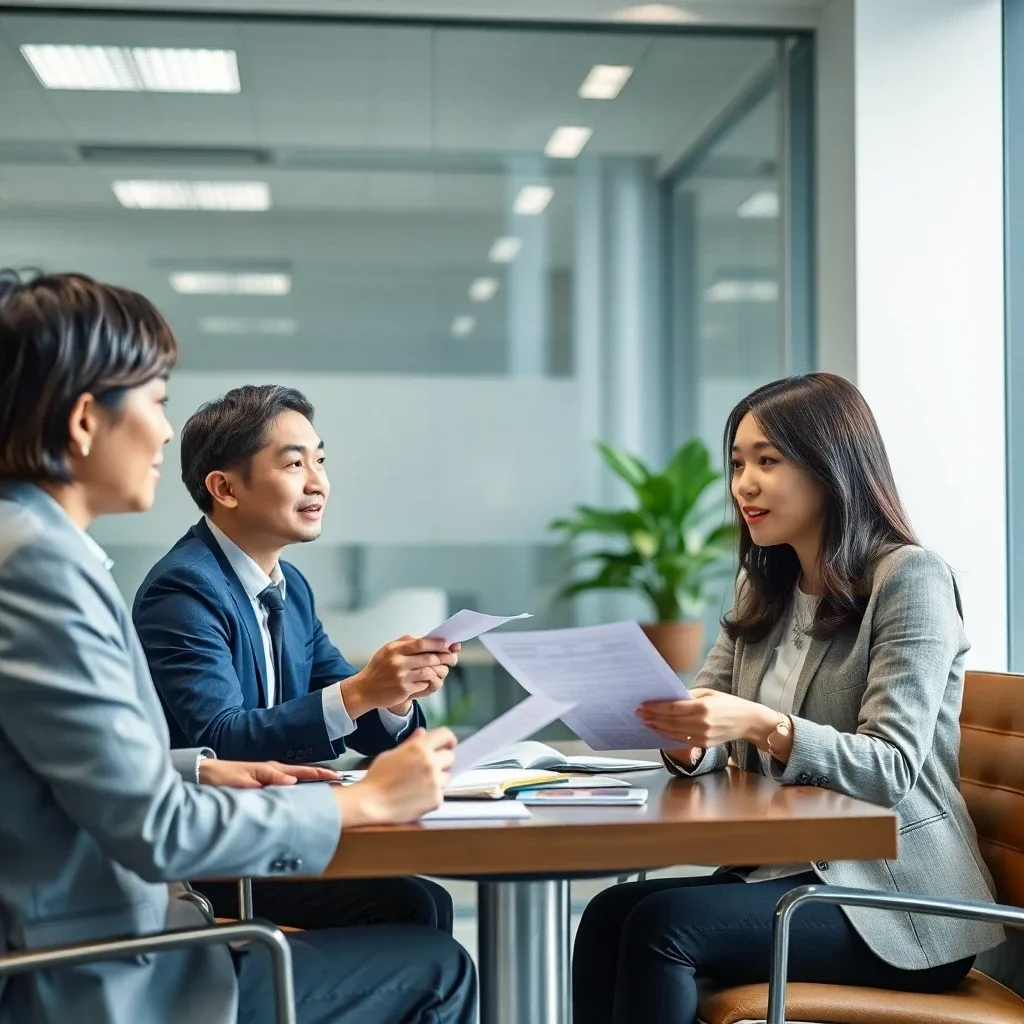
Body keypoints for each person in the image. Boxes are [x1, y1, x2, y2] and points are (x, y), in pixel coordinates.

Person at [0, 269, 476, 1024]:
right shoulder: (43, 570)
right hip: (97, 974)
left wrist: (201, 767)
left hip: (112, 929)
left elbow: (61, 764)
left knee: (414, 913)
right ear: (86, 420)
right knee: (439, 970)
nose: (165, 433)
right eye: (156, 402)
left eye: (320, 459)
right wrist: (368, 799)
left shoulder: (37, 549)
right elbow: (156, 827)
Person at [571, 373, 1004, 1024]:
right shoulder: (765, 586)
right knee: (609, 913)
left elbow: (889, 768)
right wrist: (685, 739)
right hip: (786, 874)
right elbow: (710, 717)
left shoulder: (910, 578)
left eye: (767, 462)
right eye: (737, 464)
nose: (743, 484)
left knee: (663, 925)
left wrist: (762, 725)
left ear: (832, 470)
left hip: (893, 905)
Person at [132, 385, 456, 932]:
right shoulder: (184, 588)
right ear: (225, 488)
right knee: (410, 906)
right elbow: (221, 738)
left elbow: (353, 716)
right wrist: (361, 690)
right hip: (214, 851)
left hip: (277, 827)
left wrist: (393, 696)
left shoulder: (292, 587)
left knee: (424, 900)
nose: (317, 482)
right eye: (293, 463)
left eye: (320, 461)